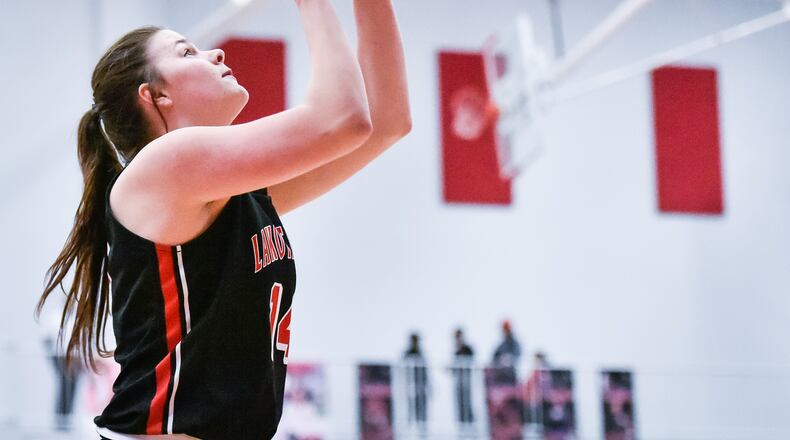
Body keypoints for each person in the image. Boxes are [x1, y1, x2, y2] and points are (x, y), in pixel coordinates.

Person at [35, 0, 410, 438]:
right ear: (156, 96)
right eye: (186, 52)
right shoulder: (163, 167)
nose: (216, 53)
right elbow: (342, 119)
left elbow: (386, 122)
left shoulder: (231, 191)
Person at [403, 332, 429, 430]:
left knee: (421, 407)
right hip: (410, 384)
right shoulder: (407, 354)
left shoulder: (421, 353)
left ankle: (422, 427)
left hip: (420, 385)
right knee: (410, 408)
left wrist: (427, 383)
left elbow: (425, 370)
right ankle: (410, 428)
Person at [451, 328, 475, 426]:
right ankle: (462, 423)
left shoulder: (467, 349)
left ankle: (470, 422)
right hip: (458, 381)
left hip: (467, 381)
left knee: (467, 401)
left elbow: (471, 361)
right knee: (459, 402)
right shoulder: (456, 351)